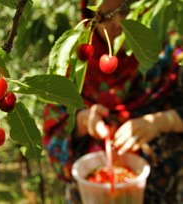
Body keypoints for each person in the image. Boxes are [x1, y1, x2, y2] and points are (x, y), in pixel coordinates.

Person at [42, 0, 183, 203]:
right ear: (90, 16)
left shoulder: (168, 53)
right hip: (90, 193)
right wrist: (82, 121)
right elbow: (54, 123)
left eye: (124, 10)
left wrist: (162, 122)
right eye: (106, 16)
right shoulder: (73, 61)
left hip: (159, 190)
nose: (118, 23)